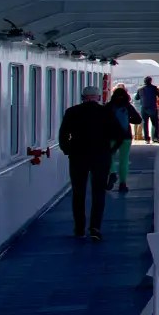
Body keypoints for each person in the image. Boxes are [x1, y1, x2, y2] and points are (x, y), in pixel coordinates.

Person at [58, 84, 123, 241]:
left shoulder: (72, 112)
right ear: (98, 97)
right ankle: (95, 228)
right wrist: (110, 150)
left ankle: (79, 228)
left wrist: (68, 150)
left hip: (78, 156)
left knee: (78, 192)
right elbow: (120, 135)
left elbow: (63, 135)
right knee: (98, 193)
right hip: (100, 156)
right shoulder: (106, 112)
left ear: (83, 97)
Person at [106, 84, 137, 194]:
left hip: (111, 136)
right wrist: (128, 120)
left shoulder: (108, 106)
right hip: (126, 137)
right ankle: (123, 184)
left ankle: (112, 173)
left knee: (109, 156)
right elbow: (138, 119)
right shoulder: (127, 106)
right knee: (124, 160)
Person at [136, 75, 159, 143]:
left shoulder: (140, 89)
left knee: (145, 123)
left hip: (143, 108)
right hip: (152, 108)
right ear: (151, 81)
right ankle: (156, 137)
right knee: (155, 123)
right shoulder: (154, 88)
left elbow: (136, 98)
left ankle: (147, 139)